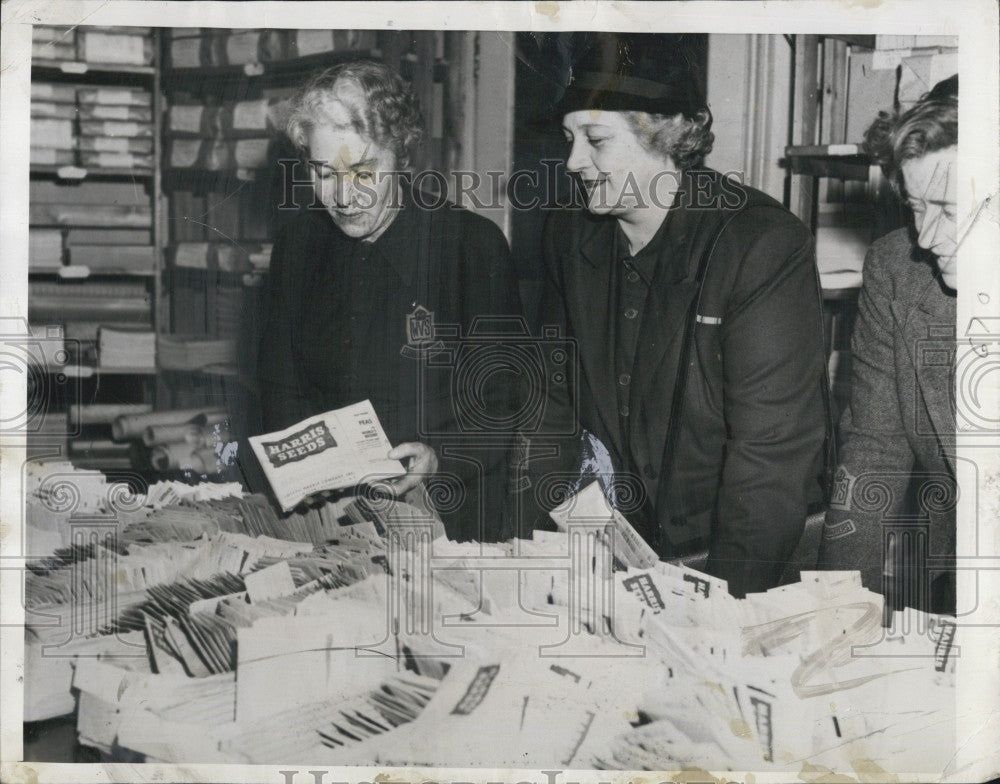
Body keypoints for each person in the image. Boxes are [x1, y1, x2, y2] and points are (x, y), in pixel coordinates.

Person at [516, 34, 830, 598]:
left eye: (595, 140)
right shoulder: (568, 232)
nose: (572, 162)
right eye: (569, 138)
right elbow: (550, 406)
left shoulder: (759, 245)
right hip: (620, 559)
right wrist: (553, 549)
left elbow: (770, 459)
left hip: (742, 559)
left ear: (664, 136)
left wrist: (715, 614)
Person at [257, 60, 523, 541]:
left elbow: (502, 405)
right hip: (329, 519)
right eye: (323, 172)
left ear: (401, 155)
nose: (343, 196)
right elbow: (280, 389)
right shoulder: (297, 247)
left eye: (363, 170)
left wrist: (440, 455)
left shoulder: (471, 246)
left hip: (448, 518)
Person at [818, 75, 959, 615]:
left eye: (948, 208)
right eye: (916, 207)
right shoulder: (897, 269)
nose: (926, 238)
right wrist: (836, 610)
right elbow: (874, 452)